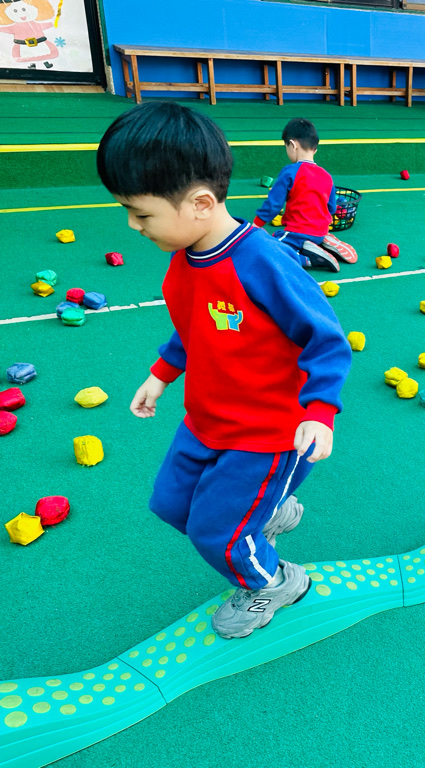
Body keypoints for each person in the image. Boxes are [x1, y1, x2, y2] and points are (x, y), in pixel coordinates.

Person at [96, 102, 352, 639]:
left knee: (219, 536)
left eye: (141, 214)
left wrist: (320, 411)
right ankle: (268, 513)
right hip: (206, 422)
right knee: (171, 505)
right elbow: (194, 328)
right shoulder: (184, 261)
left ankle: (274, 583)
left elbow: (327, 339)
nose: (132, 225)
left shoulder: (264, 262)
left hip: (266, 434)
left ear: (200, 203)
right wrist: (161, 374)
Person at [253, 117, 346, 272]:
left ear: (292, 145)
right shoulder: (327, 176)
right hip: (321, 231)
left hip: (297, 232)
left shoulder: (290, 172)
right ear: (315, 149)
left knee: (269, 248)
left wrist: (257, 224)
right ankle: (320, 242)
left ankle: (310, 259)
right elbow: (331, 208)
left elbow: (273, 204)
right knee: (296, 239)